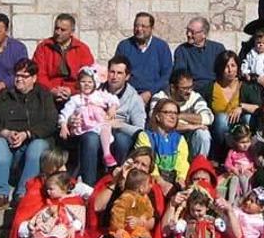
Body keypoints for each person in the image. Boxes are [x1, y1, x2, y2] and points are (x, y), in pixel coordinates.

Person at [0, 59, 58, 209]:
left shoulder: (44, 96)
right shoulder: (4, 95)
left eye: (24, 76)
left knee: (37, 146)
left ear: (34, 78)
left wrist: (27, 134)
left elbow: (51, 122)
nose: (19, 79)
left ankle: (23, 193)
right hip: (8, 141)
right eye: (17, 75)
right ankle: (1, 194)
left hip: (33, 141)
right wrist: (5, 132)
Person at [72, 56, 146, 187]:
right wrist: (73, 120)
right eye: (112, 72)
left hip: (118, 133)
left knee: (121, 140)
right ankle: (88, 186)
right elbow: (78, 105)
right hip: (94, 129)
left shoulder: (134, 99)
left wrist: (118, 125)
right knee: (90, 138)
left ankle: (115, 182)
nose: (114, 77)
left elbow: (140, 130)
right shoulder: (95, 89)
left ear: (127, 76)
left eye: (119, 73)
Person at [197, 51, 262, 157]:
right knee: (222, 118)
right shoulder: (210, 88)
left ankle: (247, 154)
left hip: (241, 130)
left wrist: (242, 107)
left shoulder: (245, 87)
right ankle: (223, 155)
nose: (230, 70)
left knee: (249, 117)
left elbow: (259, 108)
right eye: (226, 66)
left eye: (233, 65)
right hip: (219, 132)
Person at [59, 65, 120, 169]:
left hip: (98, 124)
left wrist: (113, 107)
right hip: (83, 127)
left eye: (90, 82)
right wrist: (63, 125)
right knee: (90, 137)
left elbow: (113, 99)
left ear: (95, 84)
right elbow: (65, 112)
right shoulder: (75, 99)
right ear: (78, 83)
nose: (86, 84)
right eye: (83, 82)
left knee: (106, 125)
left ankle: (107, 153)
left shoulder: (100, 95)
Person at [32, 13, 95, 105]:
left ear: (72, 32)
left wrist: (72, 91)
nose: (58, 32)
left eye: (63, 30)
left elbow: (89, 75)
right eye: (56, 28)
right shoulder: (43, 47)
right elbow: (39, 72)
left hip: (76, 94)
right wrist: (52, 90)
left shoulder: (82, 49)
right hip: (48, 93)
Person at [151, 69, 213, 159]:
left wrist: (180, 116)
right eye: (184, 88)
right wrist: (190, 126)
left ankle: (199, 165)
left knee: (203, 133)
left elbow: (208, 118)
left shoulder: (195, 97)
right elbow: (156, 121)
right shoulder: (160, 98)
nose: (189, 91)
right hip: (166, 136)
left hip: (189, 137)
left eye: (191, 87)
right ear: (172, 87)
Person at [114, 12, 173, 103]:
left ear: (151, 28)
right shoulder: (124, 46)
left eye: (143, 26)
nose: (139, 29)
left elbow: (166, 75)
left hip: (155, 93)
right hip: (129, 93)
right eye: (136, 26)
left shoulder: (161, 47)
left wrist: (150, 93)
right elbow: (118, 72)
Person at [109, 169, 155, 238]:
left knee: (143, 234)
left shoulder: (145, 199)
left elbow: (149, 211)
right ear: (141, 188)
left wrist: (142, 219)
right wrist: (119, 227)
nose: (151, 186)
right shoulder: (126, 197)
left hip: (135, 227)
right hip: (124, 227)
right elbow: (117, 212)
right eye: (148, 184)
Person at [134, 99, 190, 192]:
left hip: (173, 179)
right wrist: (160, 182)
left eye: (175, 113)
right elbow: (146, 162)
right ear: (158, 116)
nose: (173, 116)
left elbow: (182, 163)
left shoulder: (180, 139)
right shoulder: (145, 136)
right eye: (168, 112)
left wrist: (180, 179)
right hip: (151, 179)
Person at [172, 16, 225, 90]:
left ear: (204, 34)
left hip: (216, 88)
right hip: (193, 90)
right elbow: (181, 76)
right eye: (187, 30)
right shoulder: (182, 50)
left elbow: (224, 73)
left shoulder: (218, 49)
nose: (188, 34)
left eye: (192, 32)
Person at [222, 125, 255, 204]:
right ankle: (231, 201)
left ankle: (245, 197)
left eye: (248, 142)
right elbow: (227, 164)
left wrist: (247, 167)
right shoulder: (232, 152)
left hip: (247, 173)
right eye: (242, 142)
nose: (245, 145)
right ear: (236, 142)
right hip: (236, 173)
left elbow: (254, 163)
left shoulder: (251, 152)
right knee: (234, 179)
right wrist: (233, 169)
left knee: (244, 177)